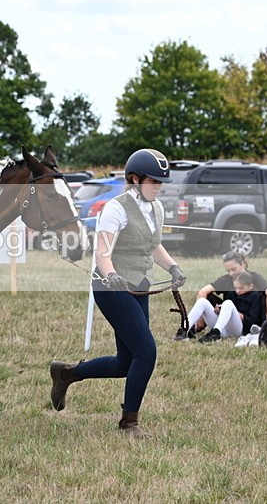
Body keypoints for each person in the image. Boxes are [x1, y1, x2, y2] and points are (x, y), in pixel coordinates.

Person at [49, 148, 186, 438]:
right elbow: (102, 251)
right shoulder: (116, 208)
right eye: (154, 181)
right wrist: (111, 274)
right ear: (135, 179)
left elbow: (153, 245)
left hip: (139, 286)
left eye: (161, 182)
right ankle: (129, 422)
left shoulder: (156, 208)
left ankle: (66, 373)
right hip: (111, 288)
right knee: (146, 352)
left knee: (126, 362)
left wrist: (173, 267)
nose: (159, 187)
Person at [192, 251, 267, 332]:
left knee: (265, 297)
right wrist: (200, 319)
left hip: (250, 318)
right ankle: (195, 326)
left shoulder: (254, 277)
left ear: (242, 264)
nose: (231, 273)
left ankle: (266, 328)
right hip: (227, 316)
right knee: (208, 298)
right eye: (228, 271)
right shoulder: (226, 279)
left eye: (233, 269)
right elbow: (202, 292)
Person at [188, 271, 262, 343]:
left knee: (228, 303)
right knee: (202, 301)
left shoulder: (255, 296)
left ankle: (216, 332)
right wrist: (220, 310)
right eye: (236, 288)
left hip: (239, 329)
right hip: (222, 328)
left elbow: (253, 321)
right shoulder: (232, 292)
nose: (237, 291)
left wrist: (236, 313)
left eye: (241, 288)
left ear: (250, 286)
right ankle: (185, 329)